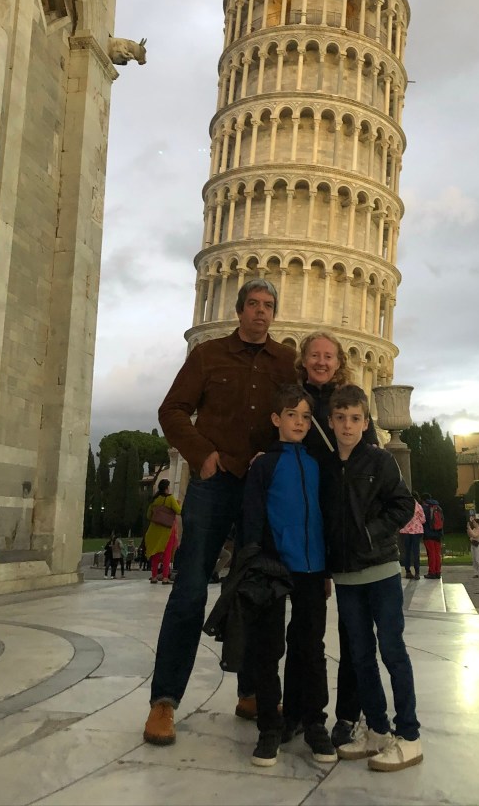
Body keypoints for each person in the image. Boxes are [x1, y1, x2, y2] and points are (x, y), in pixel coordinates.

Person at [142, 278, 297, 747]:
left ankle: (252, 692)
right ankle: (164, 701)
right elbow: (172, 410)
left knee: (257, 589)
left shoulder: (285, 361)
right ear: (239, 310)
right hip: (214, 483)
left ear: (274, 313)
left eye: (268, 305)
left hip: (259, 488)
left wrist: (275, 458)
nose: (261, 312)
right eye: (253, 304)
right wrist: (202, 455)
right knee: (190, 588)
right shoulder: (208, 355)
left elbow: (299, 415)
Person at [320, 384, 422, 772]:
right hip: (347, 576)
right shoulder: (326, 467)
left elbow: (403, 504)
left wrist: (369, 534)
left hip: (380, 571)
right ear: (331, 422)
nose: (347, 425)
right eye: (341, 418)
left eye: (355, 419)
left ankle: (409, 735)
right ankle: (378, 729)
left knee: (392, 650)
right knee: (360, 656)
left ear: (366, 423)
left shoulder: (380, 461)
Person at [241, 384, 336, 768]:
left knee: (310, 648)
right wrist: (254, 564)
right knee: (269, 649)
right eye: (291, 415)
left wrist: (326, 570)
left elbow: (326, 515)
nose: (299, 422)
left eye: (305, 416)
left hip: (312, 568)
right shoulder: (264, 465)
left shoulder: (317, 463)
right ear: (276, 419)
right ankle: (269, 727)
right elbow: (251, 518)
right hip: (273, 568)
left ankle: (312, 722)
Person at [295, 331, 378, 749]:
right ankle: (305, 713)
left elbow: (373, 463)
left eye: (329, 356)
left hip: (347, 532)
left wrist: (371, 531)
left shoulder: (350, 402)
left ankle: (347, 715)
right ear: (304, 359)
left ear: (339, 360)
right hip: (310, 529)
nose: (322, 362)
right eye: (315, 355)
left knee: (353, 631)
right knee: (306, 629)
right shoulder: (296, 402)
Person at [145, 478, 182, 585]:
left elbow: (148, 515)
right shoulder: (170, 498)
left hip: (153, 530)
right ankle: (165, 577)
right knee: (167, 554)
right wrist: (178, 504)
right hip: (166, 530)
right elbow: (178, 511)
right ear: (166, 488)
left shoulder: (155, 499)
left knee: (155, 553)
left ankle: (154, 577)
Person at [399, 493, 425, 580]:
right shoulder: (418, 506)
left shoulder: (404, 506)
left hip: (406, 531)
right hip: (416, 531)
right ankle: (417, 572)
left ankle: (408, 571)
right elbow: (423, 519)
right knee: (416, 551)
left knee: (407, 551)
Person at [421, 492, 444, 579]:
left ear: (423, 500)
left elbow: (423, 521)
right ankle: (438, 571)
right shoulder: (438, 507)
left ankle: (432, 572)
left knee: (431, 553)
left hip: (428, 534)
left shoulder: (425, 508)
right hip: (438, 534)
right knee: (437, 553)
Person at [467, 514, 479, 579]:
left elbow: (475, 535)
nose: (473, 524)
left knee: (477, 560)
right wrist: (468, 530)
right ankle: (476, 573)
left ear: (477, 523)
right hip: (473, 544)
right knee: (474, 560)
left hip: (478, 546)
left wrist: (470, 529)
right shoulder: (474, 528)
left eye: (474, 522)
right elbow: (471, 535)